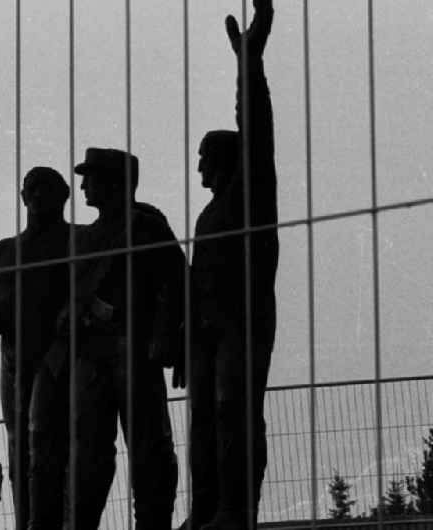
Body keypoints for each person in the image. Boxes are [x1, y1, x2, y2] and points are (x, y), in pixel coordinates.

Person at [32, 147, 183, 529]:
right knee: (87, 455)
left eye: (91, 177)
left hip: (133, 349)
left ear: (116, 182)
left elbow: (177, 283)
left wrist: (165, 336)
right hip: (89, 356)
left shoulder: (145, 226)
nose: (83, 185)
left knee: (149, 447)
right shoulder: (82, 239)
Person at [184, 1, 279, 529]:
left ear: (226, 159)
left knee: (232, 412)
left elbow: (258, 130)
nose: (198, 165)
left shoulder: (251, 194)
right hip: (205, 331)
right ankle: (205, 509)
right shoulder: (209, 214)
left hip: (243, 327)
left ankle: (234, 510)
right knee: (202, 422)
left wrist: (250, 64)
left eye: (204, 155)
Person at [0, 166, 72, 529]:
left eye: (47, 189)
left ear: (64, 196)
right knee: (19, 452)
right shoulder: (1, 253)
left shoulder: (78, 242)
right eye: (33, 189)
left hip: (63, 363)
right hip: (15, 366)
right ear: (23, 197)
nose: (39, 196)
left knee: (59, 451)